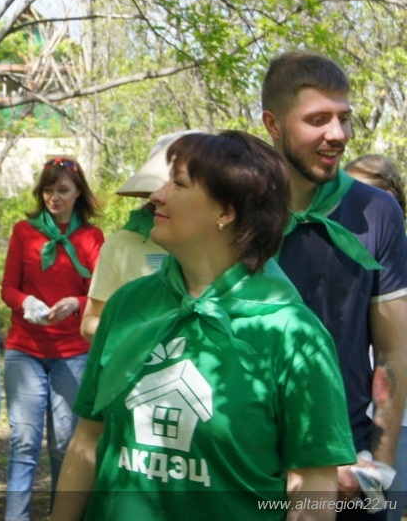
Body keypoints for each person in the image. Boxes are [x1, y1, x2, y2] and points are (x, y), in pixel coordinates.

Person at [52, 131, 356, 520]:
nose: (156, 196)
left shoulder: (294, 336)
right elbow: (88, 439)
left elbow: (313, 483)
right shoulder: (127, 306)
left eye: (178, 183)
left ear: (226, 212)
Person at [262, 51, 407, 519]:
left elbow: (395, 350)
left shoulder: (378, 212)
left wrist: (378, 467)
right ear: (273, 124)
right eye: (318, 119)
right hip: (250, 464)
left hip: (348, 469)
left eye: (344, 118)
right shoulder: (240, 207)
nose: (338, 134)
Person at [0, 157, 104, 521]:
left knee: (65, 444)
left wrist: (75, 304)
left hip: (73, 352)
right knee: (23, 442)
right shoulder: (24, 231)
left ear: (78, 193)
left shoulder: (92, 238)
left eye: (62, 190)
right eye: (48, 189)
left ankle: (63, 515)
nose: (54, 197)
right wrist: (26, 301)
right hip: (25, 350)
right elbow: (9, 288)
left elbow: (97, 294)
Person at [80, 132, 195, 341]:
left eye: (179, 185)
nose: (160, 197)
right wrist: (134, 333)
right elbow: (90, 322)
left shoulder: (219, 244)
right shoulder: (121, 245)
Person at [345, 154, 407, 521]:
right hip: (352, 426)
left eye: (370, 196)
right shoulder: (336, 251)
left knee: (385, 510)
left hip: (398, 426)